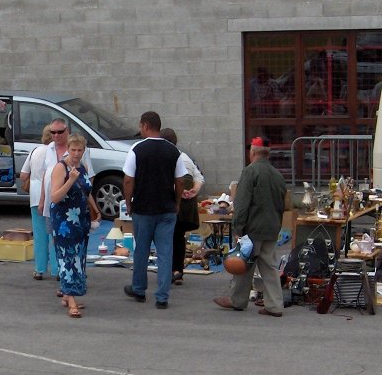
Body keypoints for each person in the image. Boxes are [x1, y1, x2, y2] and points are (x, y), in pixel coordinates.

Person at [213, 141, 288, 316]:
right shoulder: (277, 175)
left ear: (253, 152)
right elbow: (281, 203)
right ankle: (275, 305)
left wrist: (238, 228)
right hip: (271, 227)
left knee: (243, 263)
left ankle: (237, 300)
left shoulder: (250, 171)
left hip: (253, 228)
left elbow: (242, 203)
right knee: (269, 267)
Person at [121, 111, 186, 309]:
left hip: (143, 208)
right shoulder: (174, 151)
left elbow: (128, 179)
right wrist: (176, 202)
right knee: (165, 252)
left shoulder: (136, 149)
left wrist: (129, 201)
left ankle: (139, 289)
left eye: (140, 126)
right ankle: (162, 296)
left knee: (141, 249)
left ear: (146, 126)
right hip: (166, 209)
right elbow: (181, 180)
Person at [48, 134, 99, 318]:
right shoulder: (61, 168)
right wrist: (70, 180)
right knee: (68, 259)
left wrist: (95, 210)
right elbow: (54, 197)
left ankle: (69, 294)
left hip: (80, 219)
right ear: (67, 149)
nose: (76, 154)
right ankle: (71, 302)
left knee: (79, 257)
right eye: (73, 150)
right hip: (64, 221)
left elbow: (87, 191)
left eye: (80, 150)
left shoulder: (82, 168)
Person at [159, 127, 205, 286]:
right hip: (188, 203)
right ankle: (178, 271)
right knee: (178, 237)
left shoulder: (169, 157)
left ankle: (171, 270)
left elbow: (168, 181)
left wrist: (181, 191)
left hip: (173, 202)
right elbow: (199, 177)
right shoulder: (185, 156)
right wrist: (193, 191)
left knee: (168, 238)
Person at [19, 124, 58, 280]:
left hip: (35, 196)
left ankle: (39, 269)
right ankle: (57, 269)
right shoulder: (56, 152)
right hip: (53, 194)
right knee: (54, 234)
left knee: (40, 234)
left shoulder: (35, 151)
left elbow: (23, 175)